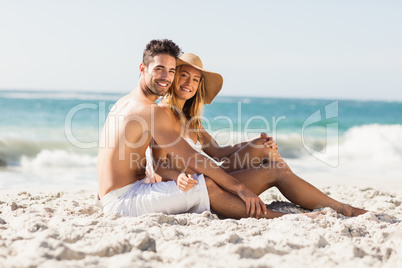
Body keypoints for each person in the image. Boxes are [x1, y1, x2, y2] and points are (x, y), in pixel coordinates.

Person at [150, 52, 367, 219]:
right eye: (184, 76)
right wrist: (177, 177)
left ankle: (303, 192)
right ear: (173, 77)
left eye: (196, 79)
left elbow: (218, 152)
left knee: (264, 145)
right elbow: (159, 164)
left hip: (215, 174)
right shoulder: (163, 113)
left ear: (199, 86)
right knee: (276, 170)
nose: (189, 83)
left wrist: (252, 143)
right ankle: (339, 207)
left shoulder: (191, 121)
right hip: (196, 183)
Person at [97, 39, 270, 218]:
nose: (166, 77)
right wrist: (240, 188)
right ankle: (276, 216)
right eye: (159, 69)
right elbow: (192, 157)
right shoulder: (151, 110)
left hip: (114, 196)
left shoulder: (123, 102)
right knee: (206, 185)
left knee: (205, 182)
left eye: (171, 71)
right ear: (142, 68)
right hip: (125, 200)